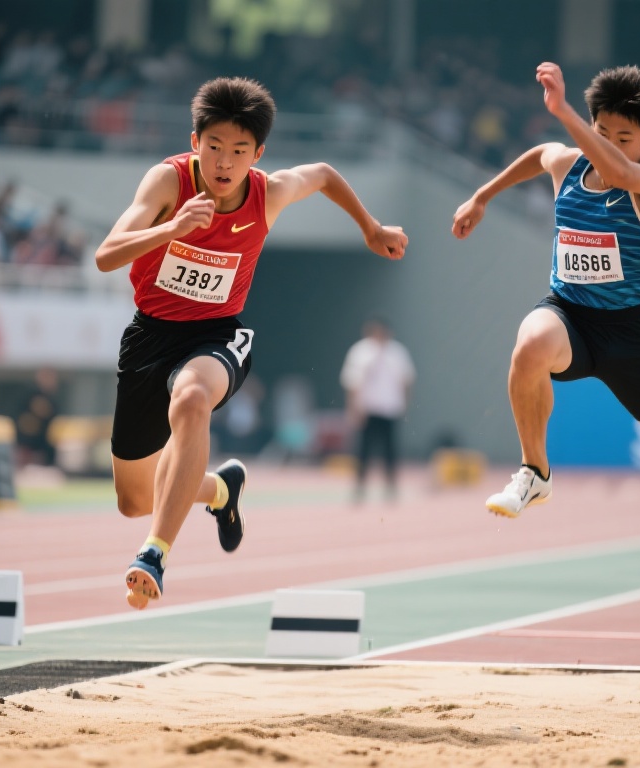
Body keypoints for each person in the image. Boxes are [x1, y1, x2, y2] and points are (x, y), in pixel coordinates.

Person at [95, 77, 407, 610]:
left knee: (192, 400)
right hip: (150, 335)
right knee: (133, 499)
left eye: (239, 151)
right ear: (195, 143)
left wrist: (370, 227)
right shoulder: (167, 182)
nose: (224, 161)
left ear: (257, 154)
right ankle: (219, 490)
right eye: (214, 146)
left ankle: (154, 553)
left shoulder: (268, 193)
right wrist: (171, 230)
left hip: (218, 335)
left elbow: (326, 175)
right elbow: (107, 254)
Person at [451, 62, 640, 518]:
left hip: (631, 335)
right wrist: (482, 196)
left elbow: (620, 174)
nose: (605, 146)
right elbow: (541, 155)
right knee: (531, 342)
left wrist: (562, 112)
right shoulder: (568, 164)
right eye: (600, 131)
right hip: (569, 315)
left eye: (622, 139)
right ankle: (534, 473)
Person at [339, 316, 416, 502]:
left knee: (390, 449)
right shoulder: (360, 352)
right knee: (363, 450)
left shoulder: (397, 352)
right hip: (367, 408)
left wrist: (404, 403)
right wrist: (353, 408)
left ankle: (391, 487)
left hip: (390, 408)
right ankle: (359, 488)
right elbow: (351, 382)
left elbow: (407, 380)